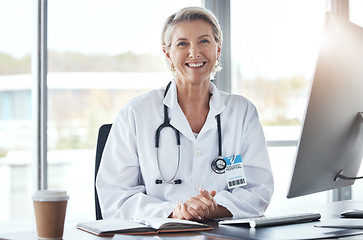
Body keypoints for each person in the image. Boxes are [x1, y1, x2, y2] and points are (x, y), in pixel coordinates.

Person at [96, 6, 274, 221]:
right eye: (182, 44)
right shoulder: (135, 113)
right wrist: (175, 212)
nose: (194, 52)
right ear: (168, 53)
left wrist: (211, 208)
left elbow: (258, 189)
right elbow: (116, 195)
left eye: (204, 41)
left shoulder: (242, 113)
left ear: (218, 49)